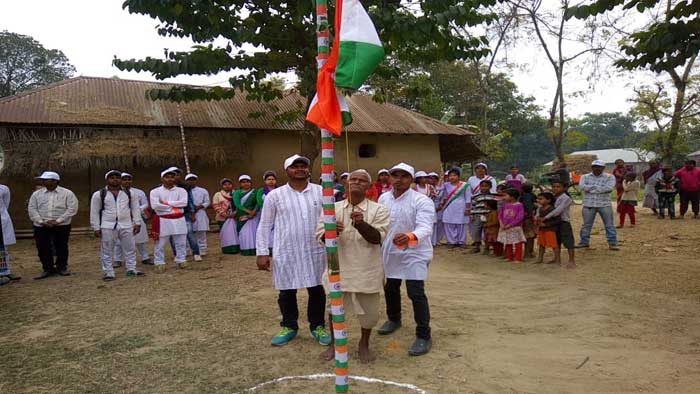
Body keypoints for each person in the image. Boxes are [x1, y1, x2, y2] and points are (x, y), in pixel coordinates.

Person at [255, 154, 331, 347]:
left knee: (317, 289)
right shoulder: (275, 195)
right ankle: (289, 326)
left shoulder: (322, 192)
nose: (299, 169)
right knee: (287, 290)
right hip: (286, 250)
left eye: (303, 166)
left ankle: (317, 326)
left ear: (308, 170)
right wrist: (262, 252)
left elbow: (331, 220)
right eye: (294, 166)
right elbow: (265, 225)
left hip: (315, 250)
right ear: (286, 170)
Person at [316, 169, 390, 363]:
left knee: (370, 313)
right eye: (353, 179)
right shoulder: (331, 208)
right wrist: (332, 232)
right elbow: (321, 238)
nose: (356, 182)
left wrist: (362, 225)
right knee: (334, 309)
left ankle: (363, 344)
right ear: (346, 183)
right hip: (339, 269)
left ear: (368, 186)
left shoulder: (379, 210)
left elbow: (377, 239)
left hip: (367, 269)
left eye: (362, 180)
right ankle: (335, 344)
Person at [376, 163, 435, 357]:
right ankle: (394, 319)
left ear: (411, 179)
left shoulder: (422, 200)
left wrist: (411, 236)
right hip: (390, 251)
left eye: (404, 176)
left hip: (415, 252)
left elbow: (426, 227)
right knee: (390, 287)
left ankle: (423, 335)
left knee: (415, 292)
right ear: (389, 178)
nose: (399, 179)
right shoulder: (383, 198)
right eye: (395, 175)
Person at [90, 170, 145, 281]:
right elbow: (94, 211)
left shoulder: (129, 193)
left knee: (130, 248)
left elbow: (135, 208)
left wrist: (137, 222)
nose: (115, 179)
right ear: (107, 179)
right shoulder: (99, 194)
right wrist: (96, 227)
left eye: (117, 177)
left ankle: (131, 269)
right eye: (112, 177)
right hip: (107, 225)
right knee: (107, 249)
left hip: (126, 224)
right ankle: (108, 272)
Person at [28, 171, 79, 279]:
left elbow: (72, 209)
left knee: (61, 246)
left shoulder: (67, 193)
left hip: (62, 225)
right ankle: (47, 268)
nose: (43, 182)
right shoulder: (36, 194)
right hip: (41, 225)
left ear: (55, 181)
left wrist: (58, 221)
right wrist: (41, 221)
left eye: (46, 180)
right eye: (43, 180)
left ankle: (61, 267)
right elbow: (32, 209)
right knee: (43, 247)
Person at [150, 168, 189, 271]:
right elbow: (155, 206)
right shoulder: (155, 191)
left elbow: (184, 203)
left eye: (172, 177)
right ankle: (159, 262)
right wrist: (174, 205)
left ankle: (181, 259)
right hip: (163, 219)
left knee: (181, 241)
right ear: (162, 178)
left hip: (179, 219)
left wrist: (166, 203)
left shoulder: (181, 190)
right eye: (167, 177)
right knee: (160, 243)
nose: (170, 179)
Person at [577, 160, 619, 250]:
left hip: (604, 204)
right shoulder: (584, 176)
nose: (597, 168)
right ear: (592, 167)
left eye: (599, 167)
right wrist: (599, 188)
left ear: (603, 168)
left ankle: (612, 243)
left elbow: (609, 188)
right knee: (586, 225)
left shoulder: (610, 177)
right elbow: (582, 187)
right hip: (589, 204)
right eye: (595, 166)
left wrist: (591, 188)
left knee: (609, 224)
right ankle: (584, 242)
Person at [117, 173, 152, 265]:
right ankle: (118, 259)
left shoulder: (139, 192)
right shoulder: (116, 192)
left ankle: (145, 257)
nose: (127, 181)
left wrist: (136, 210)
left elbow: (145, 204)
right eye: (124, 179)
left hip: (136, 217)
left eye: (129, 179)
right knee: (119, 240)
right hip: (122, 219)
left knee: (140, 239)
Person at [544, 181, 576, 268]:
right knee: (556, 242)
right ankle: (557, 259)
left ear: (564, 188)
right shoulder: (552, 197)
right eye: (554, 186)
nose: (555, 188)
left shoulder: (566, 198)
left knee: (568, 242)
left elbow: (558, 211)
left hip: (563, 222)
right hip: (554, 222)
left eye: (558, 187)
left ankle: (571, 260)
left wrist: (545, 217)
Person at [174, 169, 202, 262]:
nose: (176, 177)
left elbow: (190, 200)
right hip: (170, 215)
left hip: (184, 213)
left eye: (177, 174)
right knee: (173, 235)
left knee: (189, 233)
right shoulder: (162, 188)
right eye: (173, 175)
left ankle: (196, 253)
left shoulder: (186, 187)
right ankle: (177, 254)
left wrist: (192, 213)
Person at [439, 168, 470, 249]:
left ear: (459, 176)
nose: (452, 177)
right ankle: (451, 241)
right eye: (450, 176)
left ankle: (461, 241)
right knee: (449, 224)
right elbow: (438, 189)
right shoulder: (446, 185)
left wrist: (467, 209)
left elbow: (468, 198)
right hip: (449, 207)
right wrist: (441, 179)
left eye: (454, 175)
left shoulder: (465, 185)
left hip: (461, 206)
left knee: (461, 224)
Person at [497, 189, 526, 262]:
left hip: (515, 227)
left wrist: (510, 225)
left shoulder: (519, 205)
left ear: (512, 197)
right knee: (507, 242)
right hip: (505, 227)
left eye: (505, 195)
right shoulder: (505, 205)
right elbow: (500, 215)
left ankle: (518, 258)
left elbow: (520, 217)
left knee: (517, 242)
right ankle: (509, 257)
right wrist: (501, 223)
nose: (504, 197)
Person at [233, 175, 259, 256]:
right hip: (242, 214)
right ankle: (245, 250)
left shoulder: (255, 192)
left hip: (254, 215)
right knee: (243, 233)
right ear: (240, 184)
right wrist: (248, 212)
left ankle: (255, 250)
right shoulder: (237, 192)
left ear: (251, 183)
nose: (246, 184)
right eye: (243, 182)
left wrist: (254, 212)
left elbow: (258, 203)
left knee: (253, 232)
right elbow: (237, 204)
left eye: (247, 182)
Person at [469, 179, 496, 254]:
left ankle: (487, 247)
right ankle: (477, 246)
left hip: (489, 216)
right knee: (476, 231)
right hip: (478, 215)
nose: (484, 188)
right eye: (482, 186)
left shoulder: (493, 196)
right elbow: (473, 206)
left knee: (487, 231)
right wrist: (472, 215)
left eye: (486, 186)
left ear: (490, 187)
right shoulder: (476, 196)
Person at [186, 174, 210, 256]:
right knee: (188, 233)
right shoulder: (183, 191)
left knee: (201, 232)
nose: (191, 181)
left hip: (200, 213)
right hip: (188, 213)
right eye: (189, 180)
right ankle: (188, 250)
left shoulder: (203, 190)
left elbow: (207, 202)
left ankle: (202, 249)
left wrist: (199, 207)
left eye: (193, 179)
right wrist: (191, 208)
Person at [213, 178, 239, 254]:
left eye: (229, 184)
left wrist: (235, 213)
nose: (227, 186)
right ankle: (227, 249)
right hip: (223, 217)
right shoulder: (218, 194)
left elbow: (239, 204)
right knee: (226, 234)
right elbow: (216, 205)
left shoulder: (236, 193)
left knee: (235, 233)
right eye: (225, 184)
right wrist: (226, 215)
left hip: (235, 216)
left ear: (232, 185)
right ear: (222, 186)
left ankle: (237, 248)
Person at [0, 182, 19, 284]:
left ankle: (5, 272)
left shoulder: (3, 188)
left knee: (3, 248)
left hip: (1, 221)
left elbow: (6, 204)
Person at [256, 170, 278, 255]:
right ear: (265, 181)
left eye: (273, 179)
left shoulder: (279, 190)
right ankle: (266, 250)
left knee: (276, 232)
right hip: (265, 214)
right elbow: (259, 202)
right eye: (269, 179)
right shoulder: (261, 191)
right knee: (266, 231)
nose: (271, 181)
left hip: (277, 214)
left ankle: (275, 249)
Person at [534, 192, 559, 264]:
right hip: (542, 229)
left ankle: (557, 260)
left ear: (548, 200)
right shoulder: (540, 208)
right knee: (541, 244)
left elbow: (557, 220)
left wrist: (546, 224)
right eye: (538, 199)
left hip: (550, 229)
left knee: (554, 245)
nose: (538, 200)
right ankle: (540, 259)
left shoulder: (552, 209)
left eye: (541, 199)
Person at [520, 183, 537, 259]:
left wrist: (529, 214)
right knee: (531, 236)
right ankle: (531, 251)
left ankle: (527, 253)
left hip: (527, 218)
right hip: (532, 217)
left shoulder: (524, 197)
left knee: (527, 236)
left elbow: (528, 206)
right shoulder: (533, 196)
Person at [427, 172, 445, 246]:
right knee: (431, 224)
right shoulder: (427, 188)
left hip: (439, 207)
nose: (433, 180)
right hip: (429, 207)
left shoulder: (441, 188)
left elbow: (444, 197)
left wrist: (440, 205)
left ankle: (437, 240)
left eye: (434, 178)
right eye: (431, 178)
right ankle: (431, 241)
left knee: (440, 224)